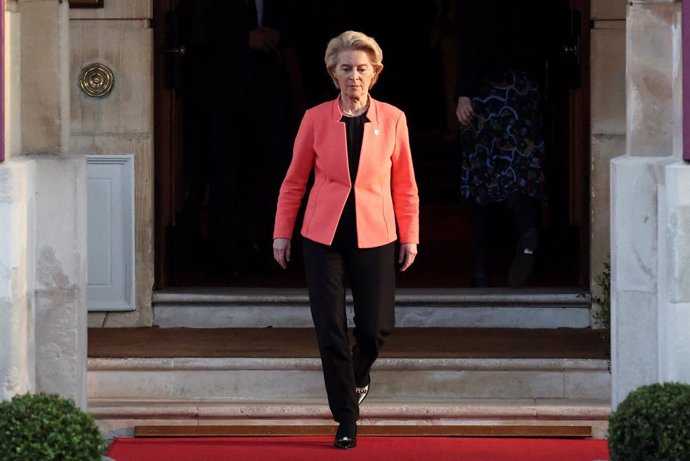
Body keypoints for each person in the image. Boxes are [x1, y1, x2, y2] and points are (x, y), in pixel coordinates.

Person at [272, 30, 420, 449]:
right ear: (332, 73)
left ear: (375, 73)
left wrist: (410, 235)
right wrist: (282, 233)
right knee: (331, 327)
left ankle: (357, 375)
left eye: (361, 69)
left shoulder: (393, 118)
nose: (353, 77)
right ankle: (346, 417)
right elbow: (293, 182)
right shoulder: (314, 118)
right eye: (345, 69)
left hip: (376, 233)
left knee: (376, 327)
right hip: (323, 236)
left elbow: (405, 185)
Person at [179, 0, 299, 278]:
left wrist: (277, 35)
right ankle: (228, 255)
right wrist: (245, 39)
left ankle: (268, 248)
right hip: (221, 94)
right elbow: (195, 30)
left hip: (268, 92)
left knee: (272, 170)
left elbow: (300, 20)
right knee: (225, 172)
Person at [454, 0, 548, 288]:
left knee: (479, 179)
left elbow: (473, 42)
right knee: (518, 168)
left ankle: (481, 270)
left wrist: (464, 92)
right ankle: (528, 229)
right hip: (523, 91)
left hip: (487, 94)